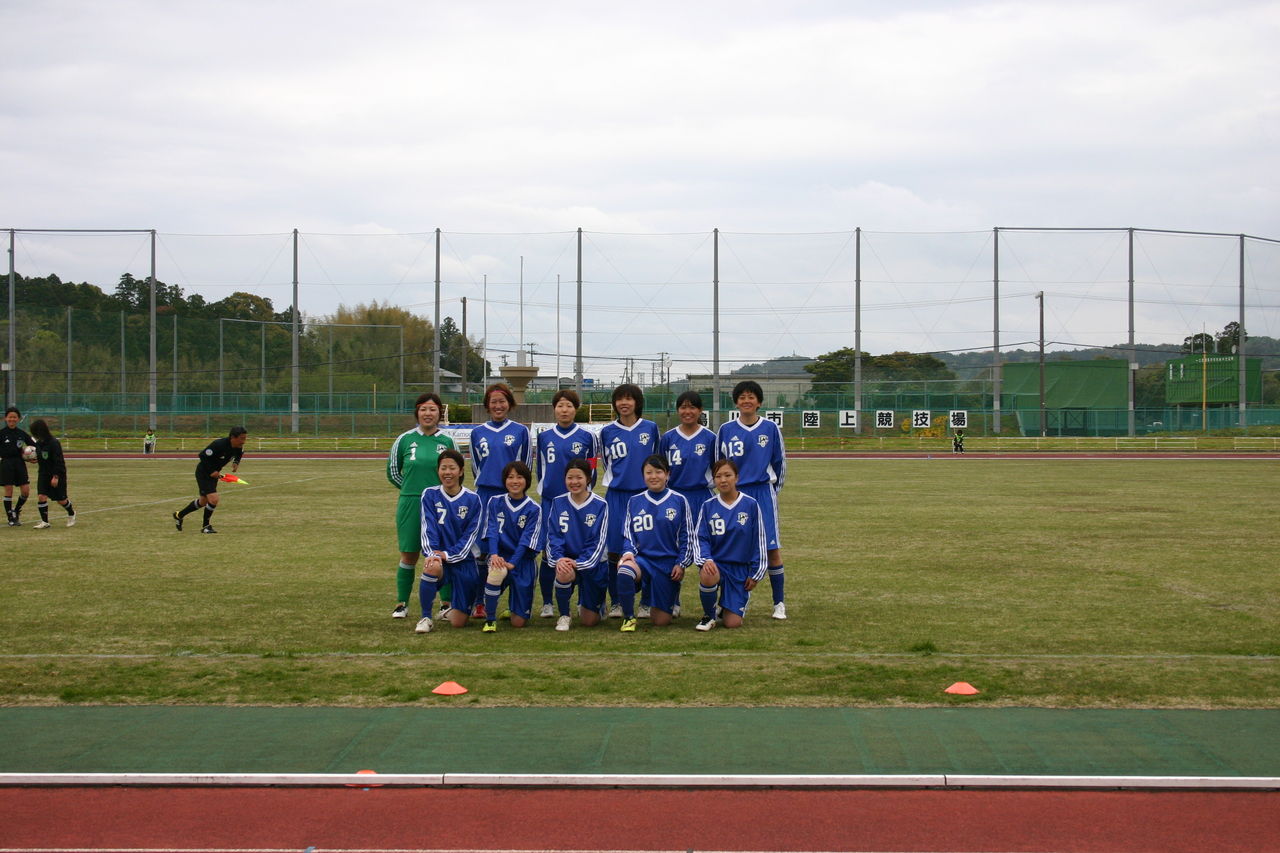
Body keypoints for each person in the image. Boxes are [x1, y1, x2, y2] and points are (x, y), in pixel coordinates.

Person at [716, 380, 788, 620]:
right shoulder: (726, 430)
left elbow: (780, 463)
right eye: (742, 397)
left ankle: (779, 603)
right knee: (729, 548)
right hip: (734, 495)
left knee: (771, 549)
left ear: (759, 402)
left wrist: (772, 491)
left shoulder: (770, 428)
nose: (746, 401)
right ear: (736, 402)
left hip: (762, 494)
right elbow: (719, 464)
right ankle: (725, 601)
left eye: (751, 397)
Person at [386, 393, 457, 619]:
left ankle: (446, 603)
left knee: (441, 553)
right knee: (409, 554)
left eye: (433, 409)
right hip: (411, 502)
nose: (428, 413)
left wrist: (437, 495)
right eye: (424, 409)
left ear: (439, 413)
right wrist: (415, 492)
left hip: (441, 505)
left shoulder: (447, 441)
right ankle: (402, 603)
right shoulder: (405, 439)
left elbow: (455, 472)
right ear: (417, 413)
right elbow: (393, 472)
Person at [532, 389, 600, 617]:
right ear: (554, 409)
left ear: (576, 409)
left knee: (580, 548)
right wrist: (546, 491)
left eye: (569, 406)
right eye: (560, 405)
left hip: (579, 503)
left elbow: (592, 470)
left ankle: (582, 600)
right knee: (549, 551)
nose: (564, 410)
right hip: (552, 502)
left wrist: (585, 495)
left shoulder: (587, 437)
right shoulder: (544, 437)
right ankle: (548, 603)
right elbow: (540, 469)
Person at [470, 383, 532, 618]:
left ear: (510, 404)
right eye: (493, 402)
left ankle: (511, 601)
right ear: (487, 405)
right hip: (485, 496)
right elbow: (476, 467)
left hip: (511, 498)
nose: (498, 405)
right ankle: (479, 602)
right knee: (483, 551)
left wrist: (515, 490)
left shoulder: (520, 431)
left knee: (510, 547)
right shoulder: (478, 432)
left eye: (502, 401)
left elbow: (525, 466)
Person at [599, 383, 660, 618]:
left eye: (629, 399)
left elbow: (657, 462)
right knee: (614, 550)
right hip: (617, 496)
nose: (624, 403)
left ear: (637, 402)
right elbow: (608, 465)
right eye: (620, 399)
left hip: (645, 497)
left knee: (647, 549)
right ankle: (616, 602)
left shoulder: (651, 428)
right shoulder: (607, 432)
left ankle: (646, 601)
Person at [617, 455, 693, 631]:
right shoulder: (634, 501)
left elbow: (687, 536)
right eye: (648, 472)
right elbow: (628, 534)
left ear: (667, 474)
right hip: (642, 560)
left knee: (661, 621)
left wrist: (681, 564)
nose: (653, 476)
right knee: (625, 570)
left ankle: (666, 599)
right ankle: (629, 618)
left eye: (658, 472)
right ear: (643, 476)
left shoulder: (679, 500)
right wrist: (628, 554)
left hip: (667, 564)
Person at [692, 458, 767, 631]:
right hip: (717, 564)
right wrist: (706, 560)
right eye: (718, 476)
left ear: (737, 478)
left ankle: (726, 607)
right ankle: (709, 616)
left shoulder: (750, 505)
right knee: (708, 572)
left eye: (728, 475)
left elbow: (759, 541)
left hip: (739, 568)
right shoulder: (708, 506)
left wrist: (756, 573)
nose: (723, 480)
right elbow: (700, 538)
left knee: (732, 624)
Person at [416, 449, 484, 634]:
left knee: (459, 623)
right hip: (439, 559)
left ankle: (450, 611)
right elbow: (427, 528)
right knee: (431, 566)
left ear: (461, 471)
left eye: (452, 468)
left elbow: (470, 537)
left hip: (464, 561)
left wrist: (447, 554)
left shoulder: (473, 499)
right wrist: (433, 554)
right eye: (443, 468)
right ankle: (425, 617)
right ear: (438, 471)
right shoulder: (429, 495)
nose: (447, 472)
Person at [545, 457, 609, 631]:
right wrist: (560, 560)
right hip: (568, 561)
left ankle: (598, 603)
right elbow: (553, 536)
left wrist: (580, 562)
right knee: (563, 571)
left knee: (589, 621)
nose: (574, 482)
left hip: (592, 563)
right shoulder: (558, 502)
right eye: (570, 478)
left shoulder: (600, 504)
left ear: (588, 478)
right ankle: (564, 615)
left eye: (579, 477)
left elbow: (597, 541)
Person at [481, 460, 543, 633]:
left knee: (518, 622)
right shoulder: (495, 501)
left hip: (522, 561)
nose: (515, 481)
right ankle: (490, 619)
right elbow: (492, 531)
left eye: (520, 477)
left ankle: (515, 607)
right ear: (504, 480)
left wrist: (513, 562)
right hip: (500, 557)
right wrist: (494, 555)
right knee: (495, 571)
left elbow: (526, 541)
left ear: (527, 481)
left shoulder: (534, 508)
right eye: (510, 477)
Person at [171, 426, 247, 534]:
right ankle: (206, 526)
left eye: (245, 438)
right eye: (242, 438)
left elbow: (239, 453)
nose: (243, 441)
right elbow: (202, 455)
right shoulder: (219, 445)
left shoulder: (238, 446)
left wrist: (236, 463)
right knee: (214, 499)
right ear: (232, 437)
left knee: (203, 502)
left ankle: (179, 515)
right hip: (204, 473)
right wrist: (212, 471)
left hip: (213, 474)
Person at [28, 419, 76, 529]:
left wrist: (55, 477)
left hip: (57, 473)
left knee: (61, 500)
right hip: (43, 473)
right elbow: (42, 457)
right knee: (41, 496)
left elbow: (58, 461)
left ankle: (71, 513)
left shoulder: (54, 443)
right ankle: (45, 522)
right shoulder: (39, 443)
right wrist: (35, 460)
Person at [2, 407, 35, 526]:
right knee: (8, 490)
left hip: (20, 463)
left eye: (14, 417)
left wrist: (33, 457)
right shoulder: (2, 434)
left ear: (18, 419)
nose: (12, 419)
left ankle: (16, 510)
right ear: (6, 418)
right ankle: (10, 517)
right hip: (6, 464)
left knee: (25, 491)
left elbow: (34, 446)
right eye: (10, 417)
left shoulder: (22, 434)